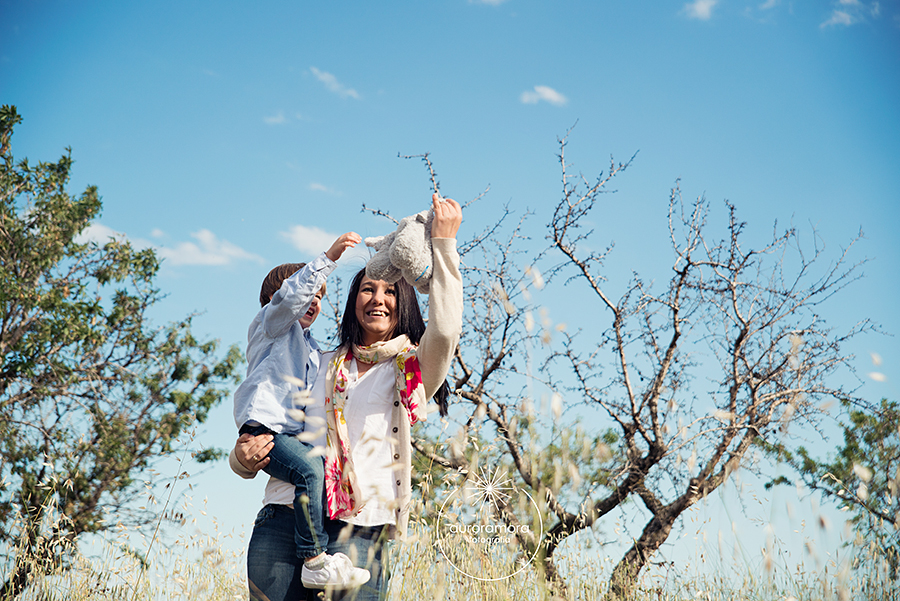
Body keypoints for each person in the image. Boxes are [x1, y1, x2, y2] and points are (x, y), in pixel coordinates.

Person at [231, 194, 463, 601]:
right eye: (367, 290)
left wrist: (443, 246)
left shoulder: (410, 371)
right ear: (353, 302)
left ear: (403, 302)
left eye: (390, 292)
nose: (378, 299)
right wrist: (241, 459)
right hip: (285, 520)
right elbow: (268, 421)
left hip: (361, 528)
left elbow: (444, 331)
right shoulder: (314, 361)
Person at [232, 231, 372, 590]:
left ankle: (314, 554)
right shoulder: (272, 325)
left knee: (314, 467)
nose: (315, 301)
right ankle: (314, 559)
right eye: (311, 292)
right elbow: (290, 298)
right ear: (275, 300)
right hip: (264, 428)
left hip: (283, 435)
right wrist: (328, 259)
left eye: (322, 297)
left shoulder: (310, 349)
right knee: (311, 467)